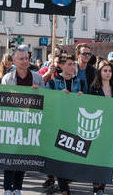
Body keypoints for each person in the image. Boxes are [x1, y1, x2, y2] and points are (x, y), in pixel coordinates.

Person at [1, 48, 44, 195]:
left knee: (23, 158)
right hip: (12, 123)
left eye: (27, 58)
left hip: (30, 123)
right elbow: (2, 101)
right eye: (21, 59)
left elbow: (45, 101)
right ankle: (7, 188)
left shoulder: (37, 78)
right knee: (9, 156)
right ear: (14, 61)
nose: (25, 61)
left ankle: (18, 188)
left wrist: (38, 92)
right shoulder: (7, 79)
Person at [44, 53, 85, 195]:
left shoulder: (80, 82)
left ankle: (65, 180)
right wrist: (57, 95)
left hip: (74, 123)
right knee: (60, 156)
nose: (72, 66)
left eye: (73, 64)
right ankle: (64, 190)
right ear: (61, 66)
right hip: (57, 123)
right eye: (69, 64)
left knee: (71, 155)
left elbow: (89, 101)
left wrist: (83, 96)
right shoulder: (53, 82)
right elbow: (46, 100)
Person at [89, 60, 113, 195]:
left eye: (110, 71)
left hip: (110, 129)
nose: (108, 73)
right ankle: (95, 186)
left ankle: (101, 187)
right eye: (105, 70)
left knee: (106, 159)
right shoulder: (93, 88)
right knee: (95, 158)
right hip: (97, 127)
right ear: (99, 72)